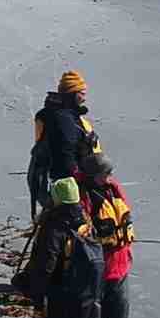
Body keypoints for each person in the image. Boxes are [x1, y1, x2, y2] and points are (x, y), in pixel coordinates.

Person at [13, 177, 103, 318]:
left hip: (59, 292)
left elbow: (45, 266)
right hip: (85, 292)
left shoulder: (54, 226)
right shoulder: (84, 219)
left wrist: (29, 288)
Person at [79, 155, 134, 318]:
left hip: (119, 261)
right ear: (93, 175)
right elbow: (81, 230)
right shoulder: (83, 195)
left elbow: (125, 213)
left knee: (119, 307)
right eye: (106, 174)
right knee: (92, 310)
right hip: (96, 265)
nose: (110, 177)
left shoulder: (113, 188)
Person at [30, 70, 100, 216]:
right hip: (69, 185)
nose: (85, 98)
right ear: (73, 93)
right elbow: (65, 151)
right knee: (74, 222)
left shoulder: (55, 114)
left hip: (58, 183)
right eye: (82, 93)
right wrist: (77, 173)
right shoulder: (64, 119)